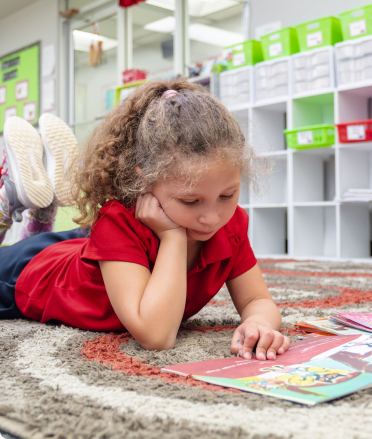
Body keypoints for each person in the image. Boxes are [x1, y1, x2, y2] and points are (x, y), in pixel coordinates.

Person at [0, 78, 290, 361]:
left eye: (227, 195)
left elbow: (257, 301)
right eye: (190, 201)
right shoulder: (116, 219)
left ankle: (41, 214)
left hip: (88, 249)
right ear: (146, 182)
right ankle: (11, 202)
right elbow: (156, 336)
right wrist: (173, 237)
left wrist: (259, 323)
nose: (212, 217)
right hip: (31, 275)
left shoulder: (231, 224)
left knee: (86, 240)